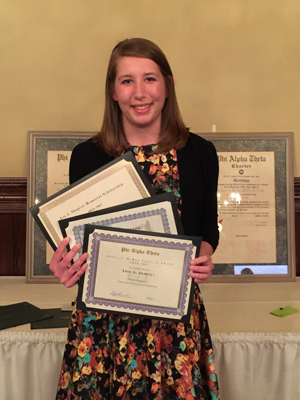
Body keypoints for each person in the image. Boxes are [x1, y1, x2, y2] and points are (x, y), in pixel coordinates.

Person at [50, 38, 220, 400]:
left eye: (150, 79)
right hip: (101, 327)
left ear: (167, 86)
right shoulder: (86, 157)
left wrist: (203, 256)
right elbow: (77, 242)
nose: (139, 93)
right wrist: (64, 263)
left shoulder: (200, 153)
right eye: (127, 81)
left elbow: (206, 230)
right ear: (113, 91)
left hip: (174, 324)